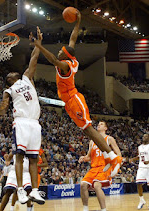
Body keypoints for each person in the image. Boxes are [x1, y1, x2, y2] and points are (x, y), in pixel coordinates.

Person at [30, 10, 122, 177]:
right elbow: (73, 38)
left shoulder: (65, 65)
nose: (58, 51)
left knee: (89, 128)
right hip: (69, 102)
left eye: (60, 51)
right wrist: (78, 21)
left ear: (65, 54)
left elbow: (52, 59)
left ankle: (113, 157)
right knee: (86, 131)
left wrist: (39, 45)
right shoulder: (70, 57)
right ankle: (109, 156)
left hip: (73, 98)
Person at [0, 28, 44, 204]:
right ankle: (22, 190)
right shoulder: (8, 90)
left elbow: (34, 58)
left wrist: (38, 42)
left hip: (35, 123)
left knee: (34, 159)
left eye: (10, 73)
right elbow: (3, 108)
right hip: (21, 122)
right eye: (7, 76)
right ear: (8, 80)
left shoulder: (26, 78)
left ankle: (35, 191)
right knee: (19, 157)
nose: (9, 74)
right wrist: (2, 108)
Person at [79, 121, 121, 211]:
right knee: (83, 184)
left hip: (104, 167)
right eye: (98, 124)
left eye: (101, 124)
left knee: (97, 186)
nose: (99, 125)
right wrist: (84, 158)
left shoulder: (109, 139)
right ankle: (85, 208)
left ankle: (103, 209)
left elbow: (118, 153)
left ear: (105, 128)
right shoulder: (92, 141)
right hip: (94, 168)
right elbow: (89, 156)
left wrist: (116, 166)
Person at [129, 134, 149, 210]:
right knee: (138, 184)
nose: (144, 137)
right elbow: (140, 157)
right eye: (143, 136)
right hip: (141, 168)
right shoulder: (139, 147)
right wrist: (133, 159)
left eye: (146, 136)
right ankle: (141, 200)